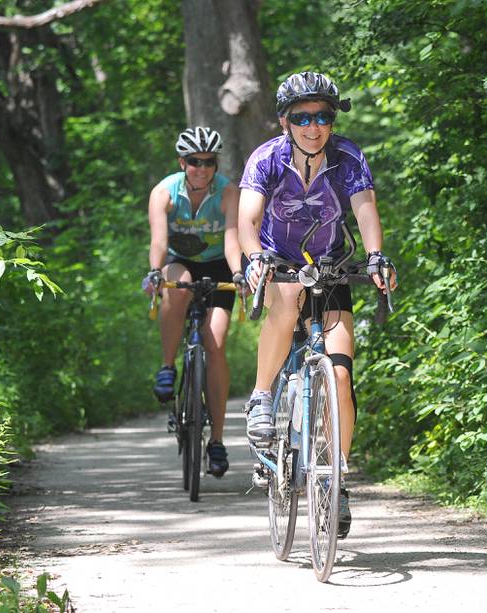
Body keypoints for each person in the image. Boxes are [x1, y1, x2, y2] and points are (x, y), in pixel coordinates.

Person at [238, 72, 397, 538]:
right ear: (285, 121)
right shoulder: (267, 158)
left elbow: (365, 209)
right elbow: (247, 218)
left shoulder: (346, 157)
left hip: (330, 264)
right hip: (278, 261)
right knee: (285, 302)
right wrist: (254, 259)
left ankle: (338, 478)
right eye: (303, 118)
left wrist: (375, 257)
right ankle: (262, 397)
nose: (314, 126)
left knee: (342, 376)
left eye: (324, 116)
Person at [142, 126, 243, 478]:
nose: (202, 168)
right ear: (182, 162)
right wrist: (155, 271)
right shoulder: (164, 192)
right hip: (178, 261)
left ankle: (215, 440)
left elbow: (233, 239)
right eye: (194, 162)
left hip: (218, 265)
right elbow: (158, 239)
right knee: (178, 285)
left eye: (209, 162)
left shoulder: (229, 192)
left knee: (214, 344)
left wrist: (239, 273)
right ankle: (168, 365)